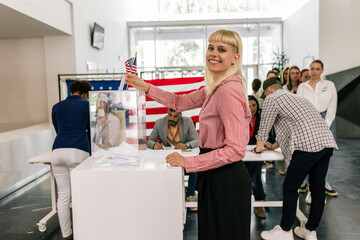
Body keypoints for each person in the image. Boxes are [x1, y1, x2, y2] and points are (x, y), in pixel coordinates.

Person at [126, 29, 252, 240]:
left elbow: (236, 149)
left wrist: (189, 162)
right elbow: (179, 103)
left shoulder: (228, 91)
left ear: (235, 58)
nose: (213, 53)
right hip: (215, 174)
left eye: (221, 49)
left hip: (226, 179)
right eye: (211, 47)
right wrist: (145, 86)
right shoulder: (214, 88)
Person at [254, 78, 337, 240]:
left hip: (307, 146)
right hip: (325, 142)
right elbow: (295, 125)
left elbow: (264, 126)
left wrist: (258, 149)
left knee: (290, 187)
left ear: (269, 91)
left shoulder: (273, 98)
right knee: (318, 189)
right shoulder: (297, 98)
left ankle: (285, 231)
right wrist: (274, 145)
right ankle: (310, 231)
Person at [51, 80, 92, 240]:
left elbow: (57, 128)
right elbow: (91, 127)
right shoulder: (86, 105)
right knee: (80, 195)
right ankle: (83, 233)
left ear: (71, 91)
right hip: (78, 150)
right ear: (85, 94)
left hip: (57, 150)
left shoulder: (56, 106)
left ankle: (67, 235)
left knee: (63, 196)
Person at [297, 59, 338, 202]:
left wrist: (325, 124)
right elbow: (299, 107)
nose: (314, 71)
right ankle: (310, 189)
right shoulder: (303, 87)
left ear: (322, 70)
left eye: (317, 69)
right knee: (310, 156)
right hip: (308, 122)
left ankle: (318, 190)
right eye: (312, 68)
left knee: (323, 157)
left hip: (326, 121)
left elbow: (332, 107)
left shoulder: (329, 85)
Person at [147, 108, 199, 211]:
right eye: (170, 115)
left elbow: (197, 140)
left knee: (194, 168)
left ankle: (190, 195)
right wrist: (154, 145)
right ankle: (164, 196)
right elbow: (150, 141)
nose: (171, 118)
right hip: (167, 158)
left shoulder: (187, 122)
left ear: (180, 115)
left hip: (183, 156)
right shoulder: (160, 122)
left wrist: (187, 145)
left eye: (175, 116)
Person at [246, 95, 267, 219]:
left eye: (254, 105)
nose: (252, 108)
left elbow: (267, 136)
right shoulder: (240, 118)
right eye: (249, 105)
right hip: (243, 153)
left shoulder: (262, 119)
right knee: (255, 174)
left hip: (257, 152)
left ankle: (258, 203)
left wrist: (265, 143)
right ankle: (259, 201)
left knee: (256, 172)